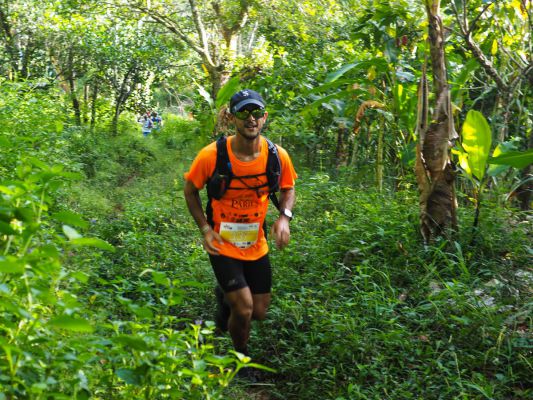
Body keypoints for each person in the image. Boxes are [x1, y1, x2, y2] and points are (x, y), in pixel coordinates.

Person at [183, 89, 297, 361]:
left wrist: (284, 217)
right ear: (231, 117)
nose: (251, 119)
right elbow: (190, 191)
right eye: (244, 113)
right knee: (244, 309)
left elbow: (288, 188)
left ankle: (224, 300)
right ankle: (240, 357)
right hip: (222, 244)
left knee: (259, 311)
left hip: (256, 245)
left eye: (256, 113)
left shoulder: (276, 155)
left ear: (264, 117)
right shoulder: (211, 156)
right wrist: (205, 229)